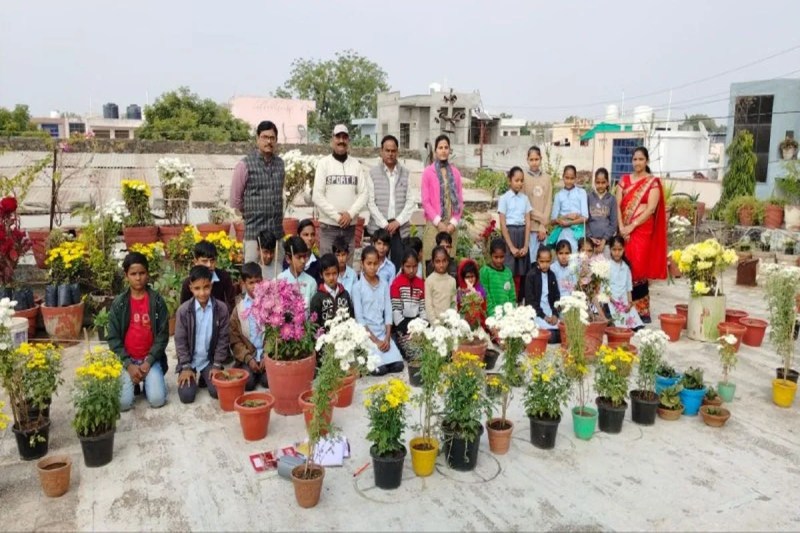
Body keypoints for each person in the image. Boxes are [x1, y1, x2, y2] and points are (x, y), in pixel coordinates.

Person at [107, 252, 168, 411]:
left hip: (150, 360)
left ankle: (150, 383)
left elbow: (162, 336)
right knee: (123, 404)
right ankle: (133, 382)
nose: (138, 278)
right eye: (133, 274)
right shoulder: (120, 304)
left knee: (157, 400)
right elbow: (113, 338)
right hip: (128, 361)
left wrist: (149, 361)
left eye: (142, 273)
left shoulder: (157, 301)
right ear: (126, 275)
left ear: (147, 274)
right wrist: (128, 364)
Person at [616, 146, 667, 322]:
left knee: (638, 267)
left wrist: (632, 226)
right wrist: (622, 227)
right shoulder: (624, 180)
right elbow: (618, 206)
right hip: (624, 231)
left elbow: (651, 208)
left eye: (641, 159)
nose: (637, 162)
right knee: (624, 266)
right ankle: (622, 307)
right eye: (635, 159)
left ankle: (642, 310)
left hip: (642, 231)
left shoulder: (652, 183)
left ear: (647, 161)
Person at [230, 120, 285, 264]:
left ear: (276, 140)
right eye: (265, 137)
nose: (269, 141)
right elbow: (236, 200)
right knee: (253, 277)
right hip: (254, 233)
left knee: (277, 278)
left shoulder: (280, 164)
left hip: (276, 233)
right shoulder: (244, 165)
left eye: (272, 138)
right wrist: (251, 210)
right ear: (257, 139)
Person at [175, 265, 230, 404]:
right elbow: (180, 341)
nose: (202, 293)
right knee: (187, 396)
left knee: (218, 392)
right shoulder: (183, 311)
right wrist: (186, 366)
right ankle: (195, 375)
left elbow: (223, 339)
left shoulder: (221, 309)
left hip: (209, 360)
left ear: (211, 285)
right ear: (191, 287)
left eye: (206, 287)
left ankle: (205, 376)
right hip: (190, 360)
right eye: (197, 288)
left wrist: (217, 365)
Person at [312, 124, 369, 259]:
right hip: (329, 227)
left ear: (348, 140)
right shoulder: (324, 164)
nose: (341, 141)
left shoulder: (356, 165)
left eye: (344, 137)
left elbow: (364, 193)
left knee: (346, 270)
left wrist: (350, 214)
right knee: (327, 268)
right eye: (338, 137)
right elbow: (317, 195)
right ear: (332, 140)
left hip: (350, 228)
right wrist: (338, 217)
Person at [367, 134, 418, 269]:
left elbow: (411, 201)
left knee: (398, 268)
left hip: (399, 231)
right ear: (381, 151)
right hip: (379, 230)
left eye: (393, 151)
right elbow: (370, 203)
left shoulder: (406, 173)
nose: (390, 154)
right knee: (375, 268)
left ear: (397, 152)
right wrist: (385, 224)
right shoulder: (372, 173)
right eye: (387, 150)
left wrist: (398, 222)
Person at [352, 245, 404, 376]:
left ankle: (386, 355)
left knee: (398, 366)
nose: (372, 267)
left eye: (375, 263)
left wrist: (387, 338)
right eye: (369, 263)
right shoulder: (357, 288)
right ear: (362, 264)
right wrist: (376, 341)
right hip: (368, 336)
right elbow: (360, 319)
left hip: (383, 333)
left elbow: (388, 312)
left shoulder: (384, 285)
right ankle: (367, 360)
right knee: (381, 370)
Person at [421, 134, 464, 260]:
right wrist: (438, 223)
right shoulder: (428, 172)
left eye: (446, 147)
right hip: (434, 225)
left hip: (451, 227)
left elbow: (460, 201)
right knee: (431, 260)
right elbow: (425, 201)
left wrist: (453, 223)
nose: (443, 150)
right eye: (440, 147)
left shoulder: (455, 173)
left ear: (449, 150)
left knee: (448, 261)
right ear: (435, 151)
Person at [230, 262, 268, 390]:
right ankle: (252, 370)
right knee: (248, 384)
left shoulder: (269, 304)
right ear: (243, 284)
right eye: (251, 283)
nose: (255, 286)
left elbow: (275, 333)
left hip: (265, 355)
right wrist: (248, 359)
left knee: (267, 381)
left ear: (262, 281)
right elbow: (235, 340)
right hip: (249, 356)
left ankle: (261, 371)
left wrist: (267, 354)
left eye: (258, 282)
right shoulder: (239, 309)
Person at [498, 166, 532, 302]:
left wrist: (525, 245)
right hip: (510, 235)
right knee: (509, 271)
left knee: (522, 273)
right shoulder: (504, 198)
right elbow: (502, 224)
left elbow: (528, 222)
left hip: (522, 233)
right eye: (516, 180)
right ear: (509, 181)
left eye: (521, 180)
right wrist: (511, 247)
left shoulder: (525, 199)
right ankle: (508, 300)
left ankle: (519, 301)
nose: (519, 183)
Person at [179, 241, 236, 314]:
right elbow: (184, 310)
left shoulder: (224, 277)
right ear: (195, 261)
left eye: (212, 261)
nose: (209, 265)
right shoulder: (189, 282)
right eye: (204, 261)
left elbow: (231, 304)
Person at [390, 249, 426, 358]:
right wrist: (409, 329)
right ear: (402, 266)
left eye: (414, 266)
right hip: (402, 326)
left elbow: (423, 309)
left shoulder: (421, 283)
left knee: (423, 353)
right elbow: (396, 313)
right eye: (408, 266)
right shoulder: (396, 284)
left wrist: (423, 325)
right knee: (411, 354)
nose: (411, 270)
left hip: (418, 324)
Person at [309, 253, 355, 333]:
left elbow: (351, 317)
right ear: (321, 275)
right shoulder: (317, 298)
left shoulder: (345, 294)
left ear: (338, 273)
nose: (331, 277)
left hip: (345, 339)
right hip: (326, 342)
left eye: (334, 273)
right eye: (327, 274)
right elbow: (314, 325)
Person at [523, 146, 553, 264]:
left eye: (536, 159)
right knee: (531, 261)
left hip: (542, 229)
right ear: (527, 160)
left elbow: (548, 202)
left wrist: (543, 225)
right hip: (529, 227)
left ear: (541, 159)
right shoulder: (524, 178)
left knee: (543, 261)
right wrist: (543, 219)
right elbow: (525, 205)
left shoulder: (547, 178)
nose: (534, 162)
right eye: (531, 159)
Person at [524, 246, 561, 343]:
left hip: (549, 311)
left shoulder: (551, 275)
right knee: (552, 337)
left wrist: (555, 314)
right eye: (542, 261)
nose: (545, 265)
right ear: (537, 261)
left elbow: (556, 297)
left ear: (551, 261)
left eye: (548, 262)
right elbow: (530, 301)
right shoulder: (531, 276)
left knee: (562, 334)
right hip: (537, 313)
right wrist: (544, 317)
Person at [607, 236, 644, 330]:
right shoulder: (607, 266)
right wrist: (613, 300)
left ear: (624, 249)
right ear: (610, 250)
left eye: (620, 249)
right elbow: (604, 287)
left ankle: (631, 323)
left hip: (624, 299)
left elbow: (628, 287)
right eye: (614, 249)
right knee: (618, 323)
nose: (617, 252)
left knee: (636, 325)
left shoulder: (626, 267)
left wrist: (630, 303)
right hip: (612, 299)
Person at [547, 165, 588, 252]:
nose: (569, 181)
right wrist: (565, 217)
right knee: (564, 258)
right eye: (567, 178)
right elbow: (553, 221)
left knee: (576, 260)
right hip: (564, 233)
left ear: (576, 178)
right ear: (563, 177)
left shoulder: (581, 193)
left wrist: (570, 223)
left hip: (578, 233)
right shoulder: (558, 195)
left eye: (572, 178)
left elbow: (585, 217)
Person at [277, 236, 316, 311]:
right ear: (288, 259)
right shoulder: (279, 280)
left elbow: (313, 313)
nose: (303, 261)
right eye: (299, 257)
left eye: (304, 256)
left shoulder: (311, 282)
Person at [480, 238, 516, 317]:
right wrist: (492, 315)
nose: (499, 260)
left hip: (507, 316)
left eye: (502, 257)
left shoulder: (508, 272)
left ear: (505, 255)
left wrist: (510, 312)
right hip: (491, 315)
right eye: (496, 257)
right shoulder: (485, 271)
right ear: (490, 255)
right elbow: (485, 295)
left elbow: (512, 296)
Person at [587, 168, 617, 257]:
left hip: (606, 244)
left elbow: (613, 224)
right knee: (589, 269)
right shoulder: (588, 197)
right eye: (598, 182)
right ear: (594, 182)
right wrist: (590, 238)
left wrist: (604, 240)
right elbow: (585, 220)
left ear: (608, 182)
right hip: (590, 244)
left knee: (604, 269)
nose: (600, 185)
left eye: (603, 182)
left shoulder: (612, 199)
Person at [281, 219, 321, 285]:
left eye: (312, 234)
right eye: (306, 235)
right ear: (298, 236)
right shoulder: (290, 258)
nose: (310, 238)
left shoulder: (318, 262)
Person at [425, 246, 457, 324]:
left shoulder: (452, 281)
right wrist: (435, 323)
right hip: (435, 324)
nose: (441, 265)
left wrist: (452, 321)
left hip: (449, 322)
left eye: (444, 261)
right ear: (433, 262)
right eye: (438, 261)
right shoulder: (429, 281)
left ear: (448, 261)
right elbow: (429, 305)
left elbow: (454, 303)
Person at [456, 258, 487, 333]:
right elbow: (460, 308)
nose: (470, 279)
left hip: (478, 324)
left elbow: (483, 307)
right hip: (465, 325)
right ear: (463, 278)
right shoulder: (460, 291)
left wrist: (474, 292)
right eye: (467, 277)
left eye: (472, 276)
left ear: (476, 276)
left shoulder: (480, 289)